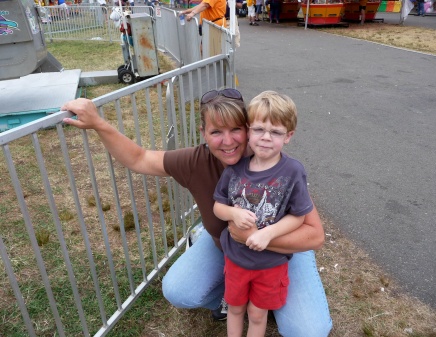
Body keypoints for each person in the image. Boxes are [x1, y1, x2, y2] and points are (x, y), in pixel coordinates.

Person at [60, 89, 332, 337]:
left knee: (308, 332)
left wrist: (255, 236)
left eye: (236, 129)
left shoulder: (270, 159)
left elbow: (314, 235)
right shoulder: (195, 161)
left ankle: (264, 298)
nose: (228, 142)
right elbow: (139, 158)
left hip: (281, 251)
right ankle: (233, 296)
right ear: (203, 132)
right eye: (216, 132)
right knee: (179, 290)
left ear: (247, 129)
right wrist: (99, 123)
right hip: (226, 247)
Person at [213, 91, 313, 337]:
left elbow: (298, 216)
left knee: (257, 315)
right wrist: (233, 214)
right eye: (259, 129)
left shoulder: (292, 171)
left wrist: (268, 234)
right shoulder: (234, 170)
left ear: (288, 136)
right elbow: (218, 206)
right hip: (235, 259)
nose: (266, 138)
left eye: (276, 132)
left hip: (271, 264)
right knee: (235, 309)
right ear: (248, 131)